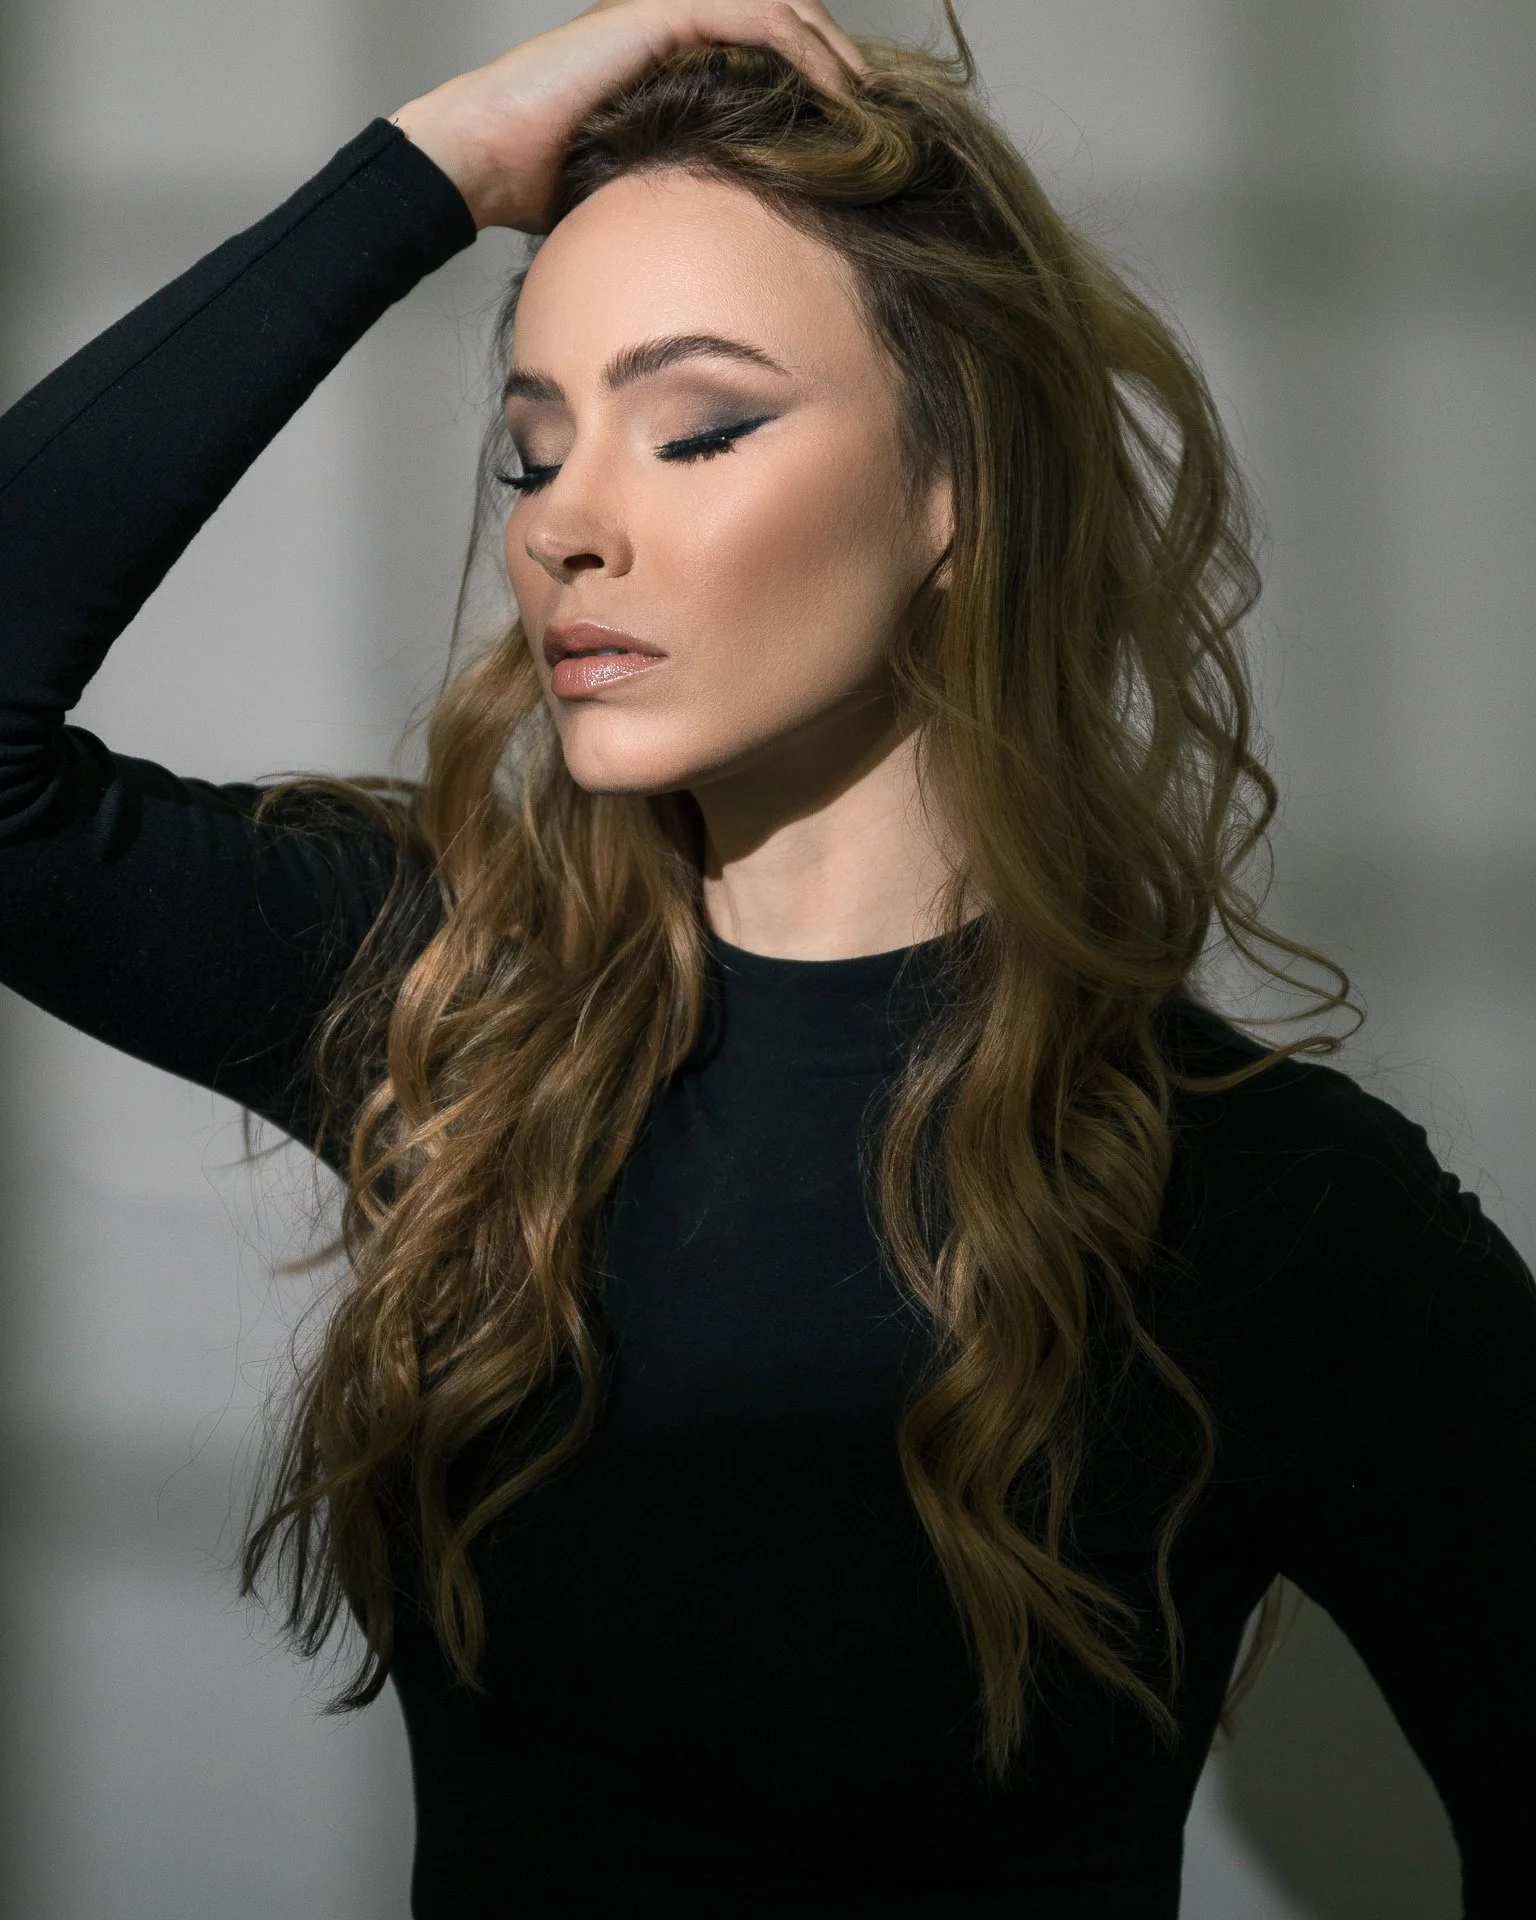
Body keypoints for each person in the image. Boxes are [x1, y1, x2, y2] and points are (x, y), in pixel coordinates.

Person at [1, 1, 1533, 1914]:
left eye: (698, 426)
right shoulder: (458, 1018)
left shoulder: (1264, 1199)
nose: (567, 526)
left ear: (958, 486)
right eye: (531, 452)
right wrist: (430, 170)